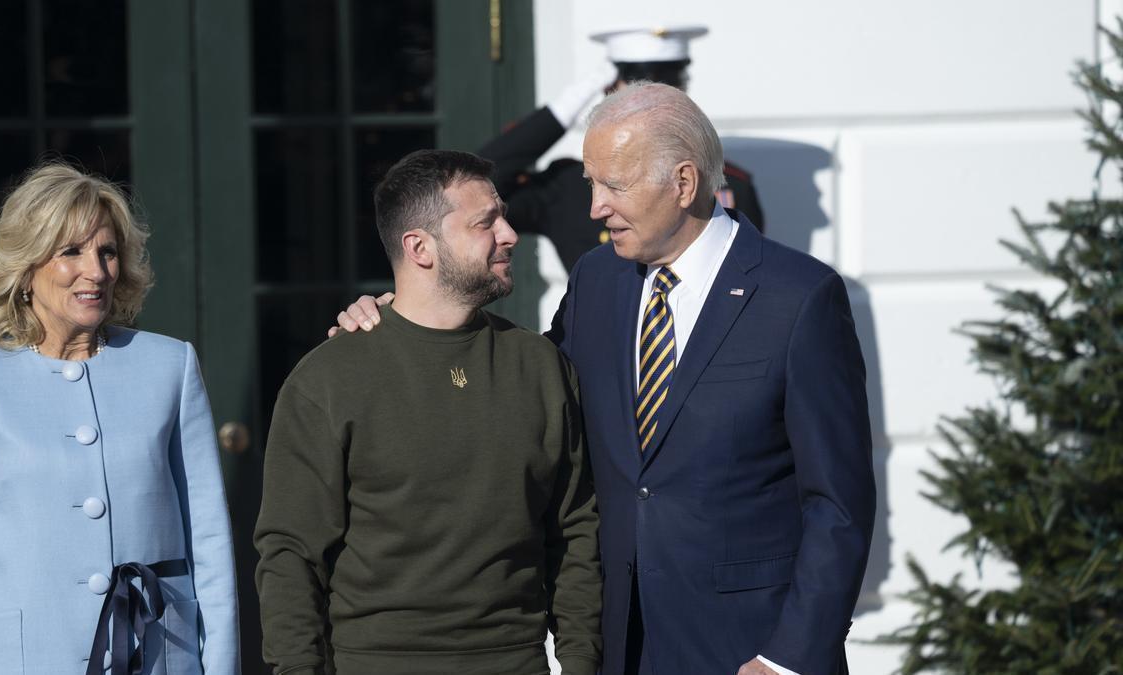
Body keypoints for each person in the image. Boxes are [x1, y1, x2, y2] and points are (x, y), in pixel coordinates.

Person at [334, 84, 875, 675]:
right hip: (616, 644)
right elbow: (520, 391)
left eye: (613, 186)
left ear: (684, 184)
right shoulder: (598, 278)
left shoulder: (800, 297)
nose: (594, 207)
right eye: (592, 183)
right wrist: (399, 328)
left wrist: (788, 657)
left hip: (750, 649)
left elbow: (838, 503)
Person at [253, 150, 601, 675]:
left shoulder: (541, 367)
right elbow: (289, 555)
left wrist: (578, 663)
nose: (509, 233)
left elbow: (576, 530)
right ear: (420, 247)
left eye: (502, 216)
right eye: (486, 222)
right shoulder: (327, 380)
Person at [0, 163, 239, 674]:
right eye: (71, 251)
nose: (96, 270)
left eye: (107, 251)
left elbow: (209, 540)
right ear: (27, 266)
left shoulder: (170, 366)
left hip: (159, 656)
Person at [479, 25, 764, 275]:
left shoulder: (728, 184)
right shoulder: (567, 187)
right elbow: (481, 181)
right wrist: (565, 109)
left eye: (670, 88)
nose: (656, 104)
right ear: (611, 91)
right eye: (637, 90)